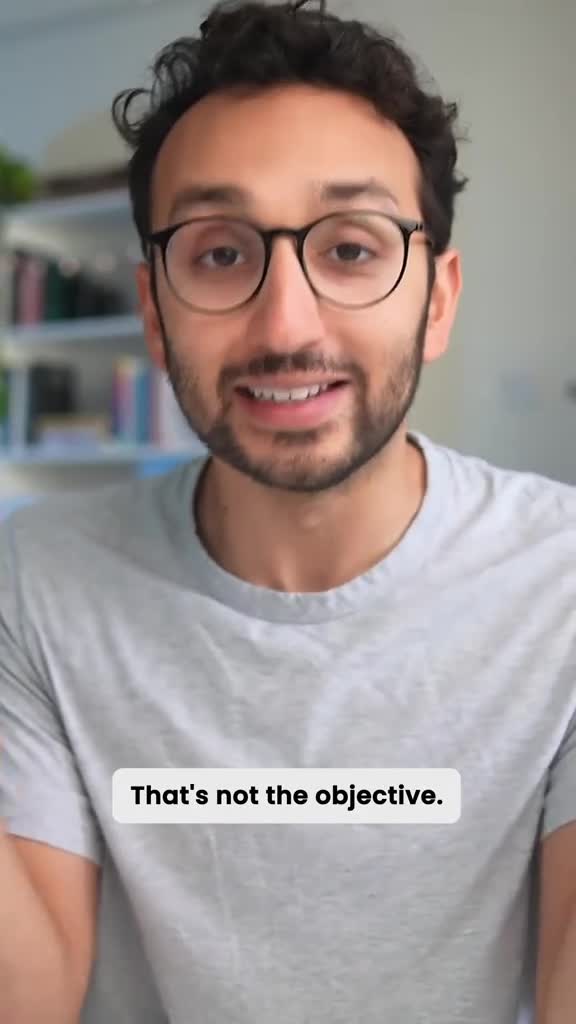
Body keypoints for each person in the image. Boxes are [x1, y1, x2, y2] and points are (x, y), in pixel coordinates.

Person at [0, 1, 575, 1021]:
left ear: (437, 300)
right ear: (154, 310)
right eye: (220, 253)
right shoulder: (36, 582)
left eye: (350, 249)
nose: (285, 324)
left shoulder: (561, 584)